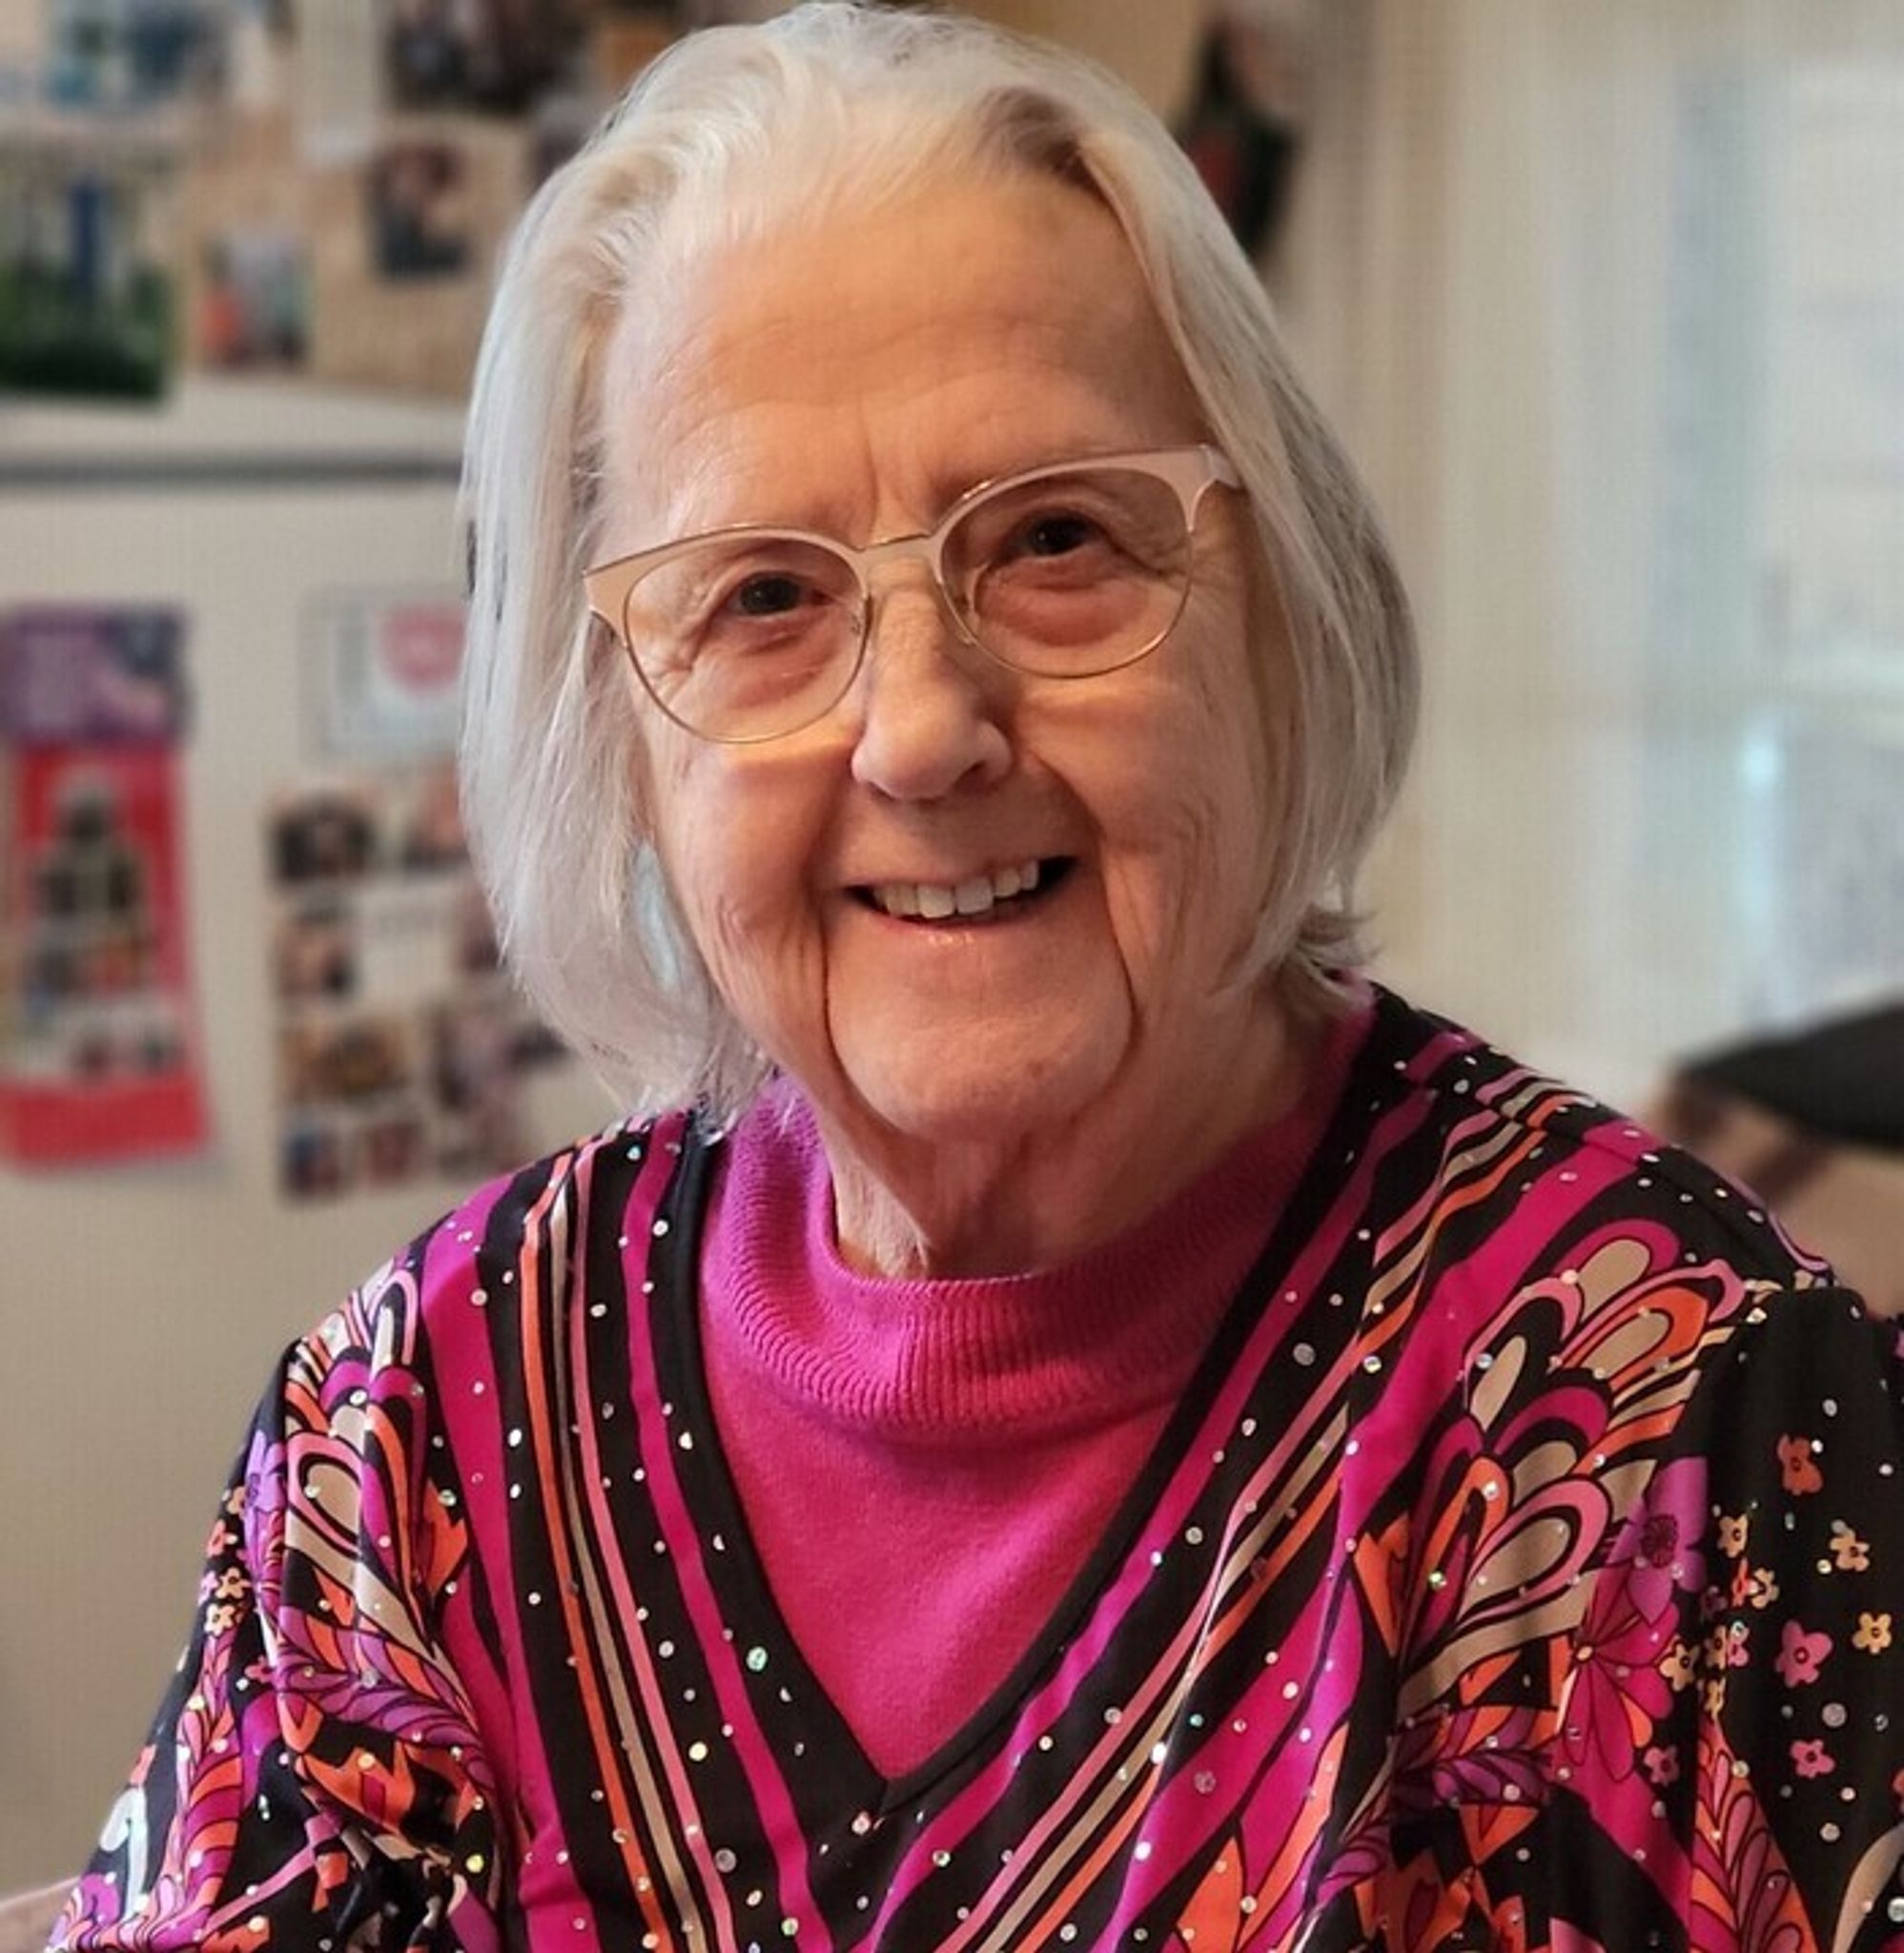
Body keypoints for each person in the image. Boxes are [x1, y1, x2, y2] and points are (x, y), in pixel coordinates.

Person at [49, 6, 1904, 1949]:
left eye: (1055, 540)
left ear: (1274, 617)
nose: (924, 729)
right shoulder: (414, 1425)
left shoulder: (1691, 1415)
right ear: (615, 740)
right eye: (764, 596)